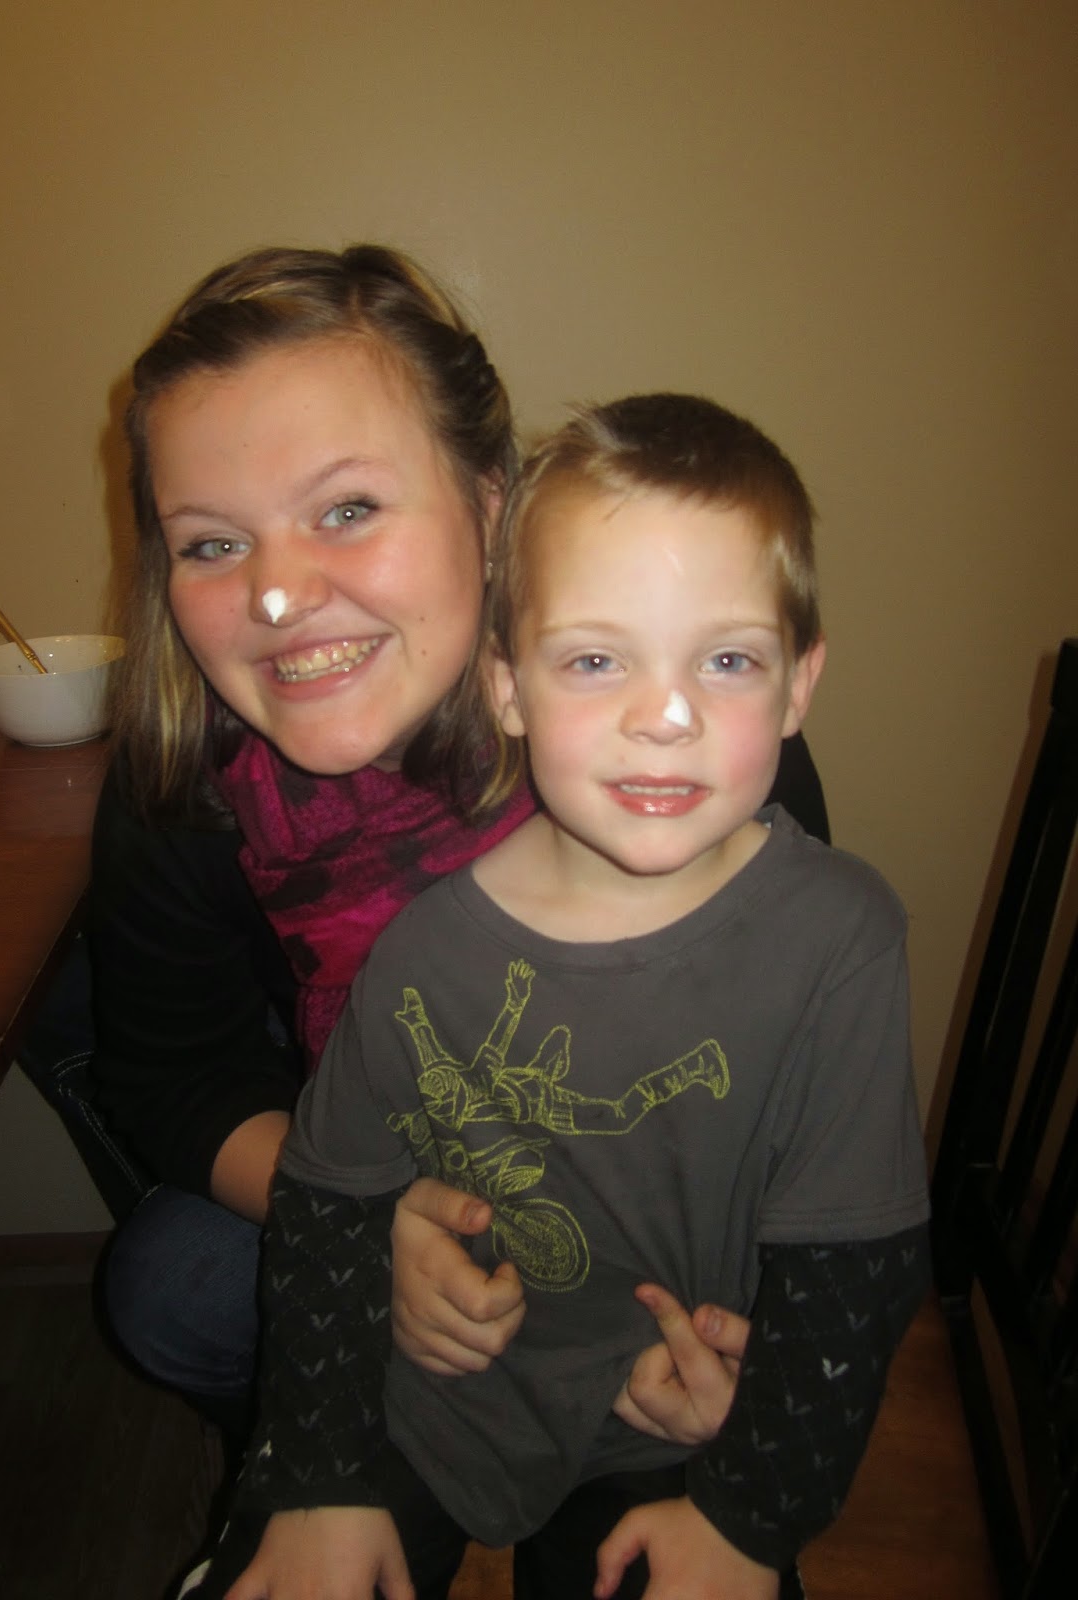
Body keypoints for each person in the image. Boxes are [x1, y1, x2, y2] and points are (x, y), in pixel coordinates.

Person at [67, 246, 829, 1447]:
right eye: (212, 543)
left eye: (348, 510)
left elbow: (789, 1081)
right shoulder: (183, 782)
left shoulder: (674, 737)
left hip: (656, 1201)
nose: (276, 597)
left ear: (488, 501)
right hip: (374, 1164)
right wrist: (367, 1215)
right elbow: (173, 1074)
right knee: (174, 1282)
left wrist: (713, 1321)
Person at [180, 393, 932, 1600]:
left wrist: (751, 1514)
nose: (665, 716)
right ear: (507, 687)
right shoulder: (424, 954)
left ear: (799, 686)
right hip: (426, 1399)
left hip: (676, 1423)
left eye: (728, 660)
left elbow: (858, 1264)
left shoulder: (844, 940)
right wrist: (314, 1471)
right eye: (593, 659)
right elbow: (327, 1208)